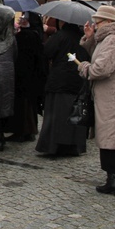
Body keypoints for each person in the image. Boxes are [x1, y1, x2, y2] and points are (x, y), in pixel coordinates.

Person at [78, 5, 115, 196]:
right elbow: (101, 54)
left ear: (109, 22)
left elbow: (100, 69)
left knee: (109, 136)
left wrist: (85, 67)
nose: (95, 25)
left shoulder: (113, 41)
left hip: (112, 96)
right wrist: (90, 38)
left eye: (98, 22)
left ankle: (113, 180)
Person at [36, 20, 90, 156]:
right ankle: (73, 147)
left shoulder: (60, 36)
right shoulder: (83, 37)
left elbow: (46, 52)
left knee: (57, 115)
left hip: (60, 81)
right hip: (78, 79)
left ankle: (56, 147)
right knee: (74, 113)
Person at [6, 12, 46, 142]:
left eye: (24, 18)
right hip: (31, 76)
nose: (21, 19)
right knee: (30, 105)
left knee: (23, 105)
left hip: (23, 76)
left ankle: (22, 131)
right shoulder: (36, 34)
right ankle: (29, 131)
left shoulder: (25, 36)